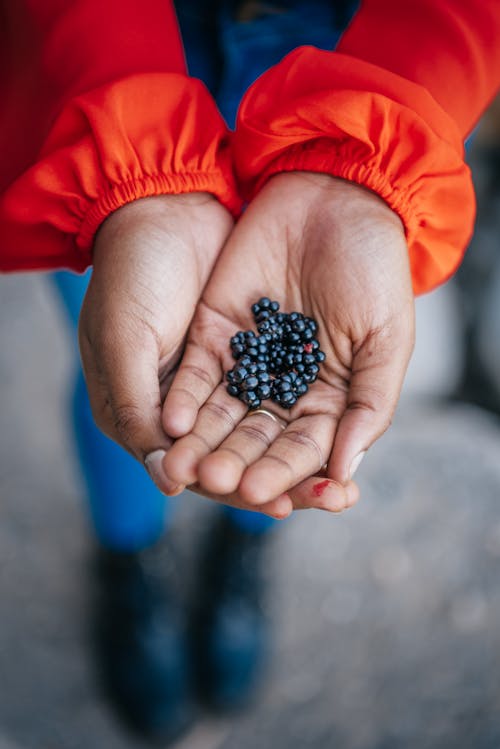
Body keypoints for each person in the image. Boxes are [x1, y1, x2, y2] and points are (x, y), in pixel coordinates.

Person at [1, 0, 499, 742]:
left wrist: (369, 166)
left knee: (278, 437)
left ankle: (247, 537)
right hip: (110, 75)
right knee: (130, 359)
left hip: (341, 63)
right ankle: (131, 554)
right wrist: (136, 178)